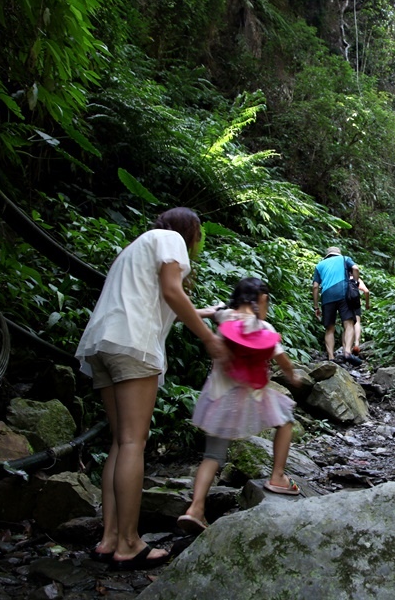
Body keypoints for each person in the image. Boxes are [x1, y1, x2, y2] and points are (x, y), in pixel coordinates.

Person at [74, 207, 229, 571]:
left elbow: (160, 300)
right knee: (133, 443)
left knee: (119, 441)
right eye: (199, 233)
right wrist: (208, 339)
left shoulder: (135, 247)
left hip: (103, 343)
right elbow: (172, 292)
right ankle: (129, 543)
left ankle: (110, 537)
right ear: (189, 230)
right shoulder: (171, 239)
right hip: (133, 344)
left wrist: (207, 312)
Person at [177, 277, 301, 535]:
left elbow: (198, 313)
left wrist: (185, 312)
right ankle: (278, 476)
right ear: (261, 301)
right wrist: (293, 376)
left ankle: (195, 509)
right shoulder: (263, 327)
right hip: (250, 398)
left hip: (217, 396)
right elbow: (283, 360)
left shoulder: (224, 317)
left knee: (212, 455)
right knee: (285, 420)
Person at [312, 246, 362, 365]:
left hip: (327, 296)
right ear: (338, 254)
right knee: (348, 324)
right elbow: (355, 268)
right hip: (344, 293)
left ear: (327, 255)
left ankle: (331, 358)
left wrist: (316, 306)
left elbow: (315, 286)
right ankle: (347, 352)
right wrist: (355, 282)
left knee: (329, 328)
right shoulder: (345, 259)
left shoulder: (319, 265)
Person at [349, 264, 370, 355]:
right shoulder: (356, 280)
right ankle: (356, 344)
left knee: (347, 324)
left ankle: (347, 347)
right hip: (356, 302)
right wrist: (367, 304)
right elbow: (366, 291)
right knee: (357, 322)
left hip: (345, 303)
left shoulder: (343, 279)